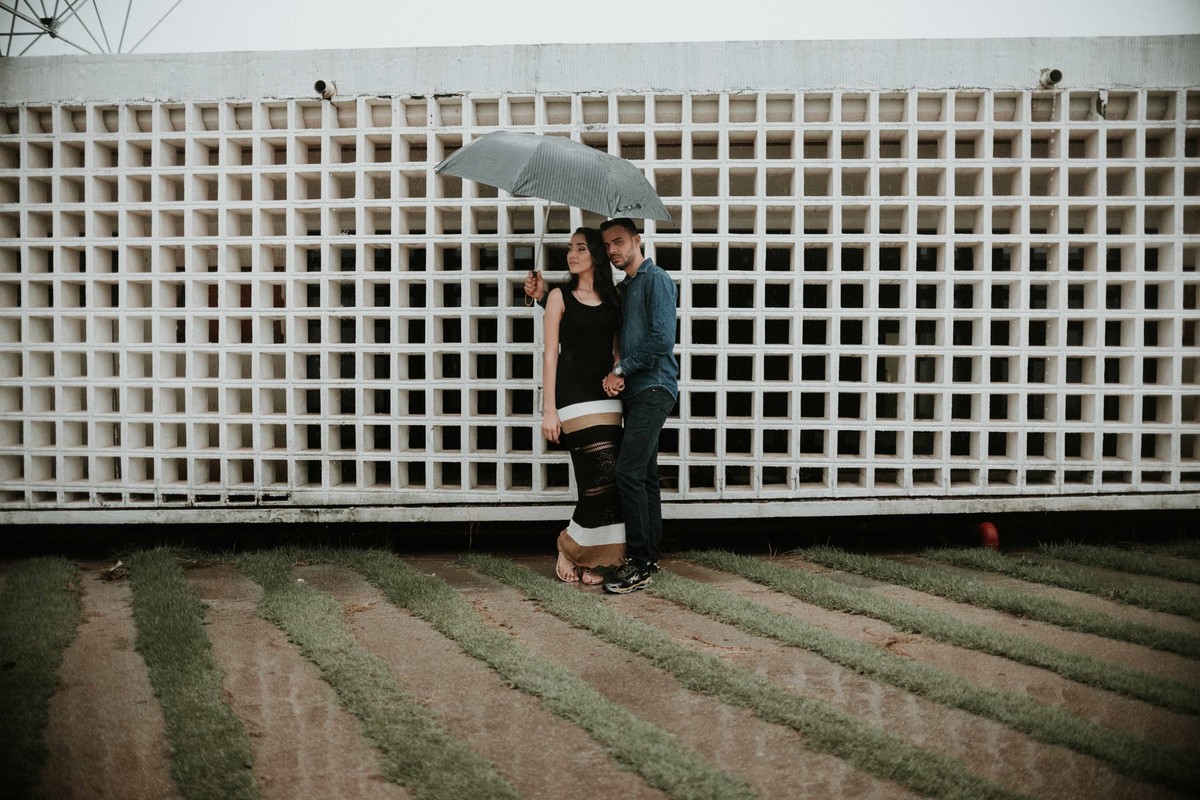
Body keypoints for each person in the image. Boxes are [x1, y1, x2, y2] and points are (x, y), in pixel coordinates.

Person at [535, 227, 626, 584]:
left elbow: (618, 349)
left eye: (581, 248)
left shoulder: (614, 297)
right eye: (570, 248)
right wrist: (549, 410)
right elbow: (550, 356)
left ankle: (592, 557)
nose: (572, 254)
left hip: (606, 397)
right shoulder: (559, 297)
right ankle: (570, 547)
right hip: (572, 398)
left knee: (607, 479)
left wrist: (618, 372)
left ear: (597, 256)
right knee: (597, 476)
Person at [596, 218, 679, 594]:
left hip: (654, 388)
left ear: (636, 240)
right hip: (636, 392)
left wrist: (621, 369)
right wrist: (542, 293)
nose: (612, 250)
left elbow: (662, 340)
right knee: (643, 476)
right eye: (607, 245)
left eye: (618, 242)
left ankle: (639, 561)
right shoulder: (625, 288)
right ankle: (650, 559)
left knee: (627, 472)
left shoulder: (655, 279)